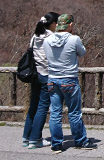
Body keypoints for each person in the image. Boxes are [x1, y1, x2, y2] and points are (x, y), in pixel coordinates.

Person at [43, 14, 96, 153]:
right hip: (69, 79)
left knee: (55, 113)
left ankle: (56, 144)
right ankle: (80, 141)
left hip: (52, 79)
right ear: (70, 25)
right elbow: (82, 53)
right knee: (74, 113)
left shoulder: (46, 41)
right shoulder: (74, 39)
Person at [22, 12, 59, 149]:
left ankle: (26, 137)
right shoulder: (51, 37)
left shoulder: (35, 36)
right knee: (43, 107)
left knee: (34, 105)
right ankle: (35, 138)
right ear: (53, 24)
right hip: (46, 74)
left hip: (35, 75)